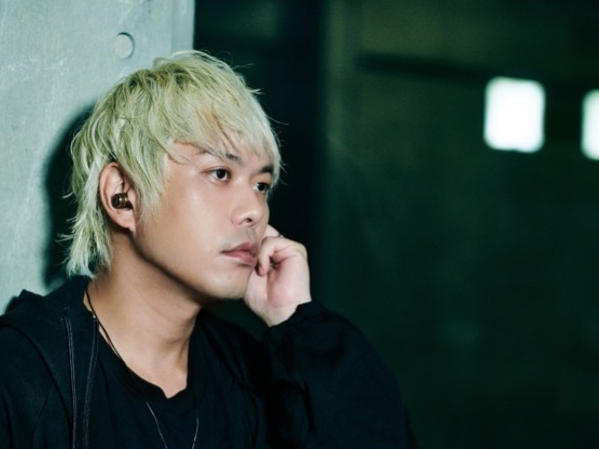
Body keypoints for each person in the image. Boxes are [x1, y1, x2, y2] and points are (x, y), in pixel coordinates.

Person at [0, 50, 418, 448]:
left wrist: (297, 321)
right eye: (219, 173)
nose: (254, 210)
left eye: (261, 185)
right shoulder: (23, 373)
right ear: (122, 195)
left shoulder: (248, 376)